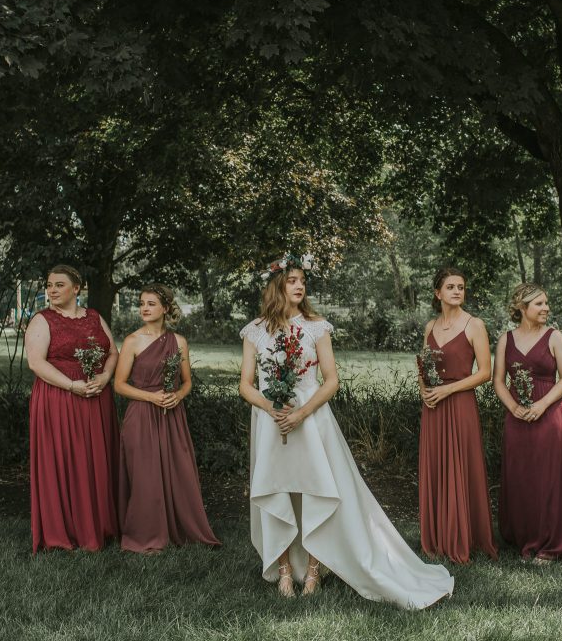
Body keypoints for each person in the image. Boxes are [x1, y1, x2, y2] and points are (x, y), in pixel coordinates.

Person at [239, 252, 453, 608]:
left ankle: (313, 570)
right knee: (278, 490)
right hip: (271, 421)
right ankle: (284, 570)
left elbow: (331, 380)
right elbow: (246, 384)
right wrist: (270, 407)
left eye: (302, 281)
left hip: (311, 420)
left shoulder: (316, 327)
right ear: (277, 285)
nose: (299, 286)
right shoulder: (255, 330)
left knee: (317, 489)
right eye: (292, 281)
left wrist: (302, 413)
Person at [112, 284, 220, 553]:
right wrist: (151, 397)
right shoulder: (132, 341)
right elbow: (119, 385)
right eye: (141, 303)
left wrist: (177, 396)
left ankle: (179, 529)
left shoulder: (179, 342)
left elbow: (187, 382)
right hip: (141, 414)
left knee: (178, 473)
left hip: (171, 415)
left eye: (150, 304)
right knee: (145, 476)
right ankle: (145, 535)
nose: (144, 308)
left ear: (165, 308)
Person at [492, 283, 562, 563]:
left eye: (546, 303)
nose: (546, 308)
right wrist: (514, 407)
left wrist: (541, 405)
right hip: (517, 418)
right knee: (521, 478)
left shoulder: (554, 336)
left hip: (549, 415)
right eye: (539, 304)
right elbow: (498, 381)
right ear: (522, 308)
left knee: (549, 479)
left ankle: (552, 544)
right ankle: (527, 539)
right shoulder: (506, 340)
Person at [25, 265, 120, 552]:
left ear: (76, 288)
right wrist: (71, 385)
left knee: (94, 460)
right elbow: (36, 363)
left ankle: (99, 526)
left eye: (59, 285)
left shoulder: (94, 316)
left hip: (96, 396)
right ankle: (64, 530)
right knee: (65, 459)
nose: (52, 290)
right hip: (59, 398)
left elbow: (112, 352)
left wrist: (105, 376)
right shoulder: (42, 320)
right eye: (49, 285)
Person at [418, 267, 498, 563]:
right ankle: (438, 536)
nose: (456, 291)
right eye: (450, 287)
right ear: (437, 293)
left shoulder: (474, 325)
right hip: (433, 408)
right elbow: (423, 364)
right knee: (437, 466)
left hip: (460, 404)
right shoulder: (430, 326)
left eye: (460, 287)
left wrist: (448, 390)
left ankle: (464, 536)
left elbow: (485, 373)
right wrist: (425, 391)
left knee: (462, 466)